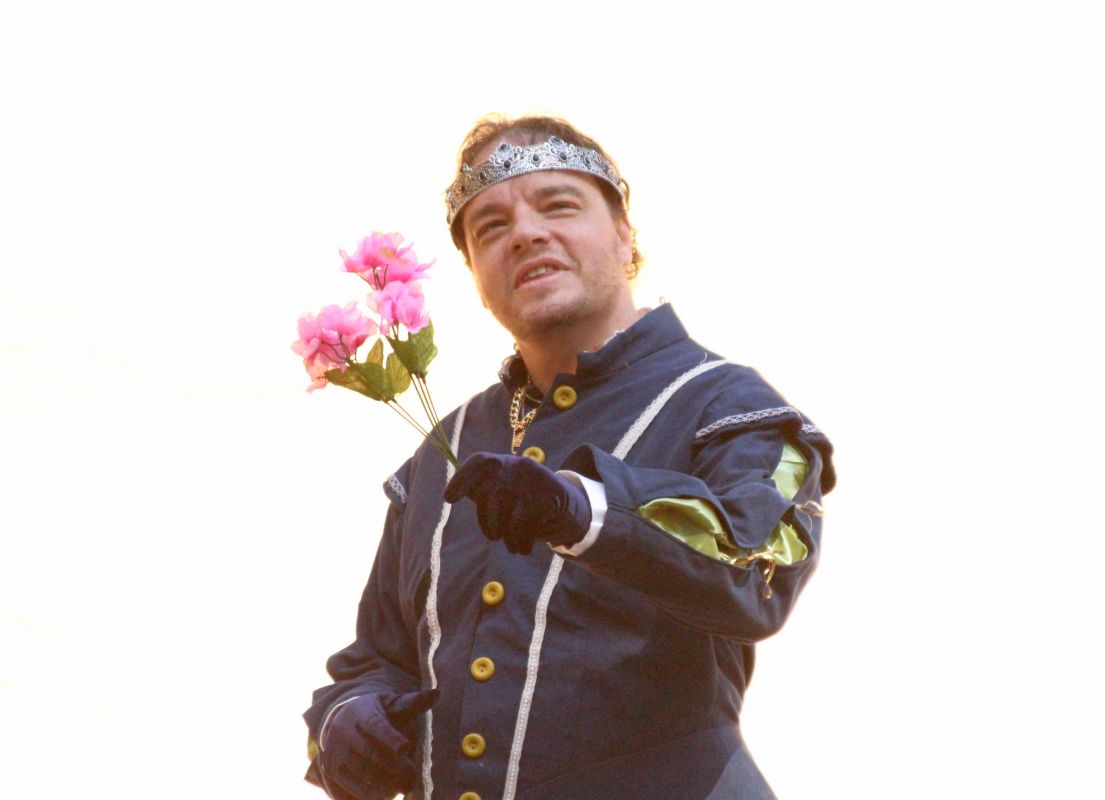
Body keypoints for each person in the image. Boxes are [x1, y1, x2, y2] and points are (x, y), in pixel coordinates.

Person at [303, 115, 836, 800]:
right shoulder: (444, 450)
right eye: (491, 226)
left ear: (624, 236)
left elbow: (762, 570)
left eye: (557, 205)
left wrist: (586, 511)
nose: (525, 233)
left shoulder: (728, 408)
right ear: (475, 274)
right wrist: (351, 719)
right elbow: (379, 659)